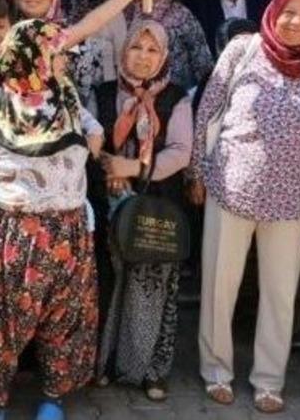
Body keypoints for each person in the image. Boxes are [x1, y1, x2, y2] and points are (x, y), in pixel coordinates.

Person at [0, 0, 151, 420]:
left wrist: (92, 144)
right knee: (0, 327)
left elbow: (94, 131)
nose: (63, 60)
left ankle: (53, 400)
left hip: (68, 235)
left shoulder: (66, 98)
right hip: (11, 238)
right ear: (30, 57)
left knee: (65, 322)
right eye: (55, 55)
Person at [190, 0, 300, 414]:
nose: (295, 22)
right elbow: (209, 110)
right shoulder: (243, 49)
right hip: (231, 187)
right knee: (219, 287)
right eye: (289, 11)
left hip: (292, 198)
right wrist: (197, 170)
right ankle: (216, 370)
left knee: (279, 293)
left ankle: (269, 381)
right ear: (274, 9)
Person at [90, 21, 193, 401]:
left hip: (158, 204)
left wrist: (133, 168)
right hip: (108, 200)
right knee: (108, 283)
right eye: (136, 47)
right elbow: (90, 140)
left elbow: (180, 152)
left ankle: (151, 370)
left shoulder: (177, 98)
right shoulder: (102, 92)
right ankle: (104, 364)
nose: (143, 57)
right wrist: (111, 168)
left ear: (163, 56)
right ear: (123, 51)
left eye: (152, 50)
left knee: (152, 288)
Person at [125, 0, 214, 92]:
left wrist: (206, 92)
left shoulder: (180, 14)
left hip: (177, 93)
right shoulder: (125, 15)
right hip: (133, 92)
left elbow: (201, 56)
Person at [61, 0, 127, 102]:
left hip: (102, 88)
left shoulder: (111, 9)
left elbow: (121, 53)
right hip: (64, 85)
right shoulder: (59, 6)